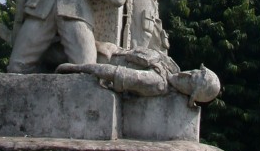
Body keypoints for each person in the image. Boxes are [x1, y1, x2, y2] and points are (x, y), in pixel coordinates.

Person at [57, 43, 220, 108]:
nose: (185, 74)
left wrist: (78, 67)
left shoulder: (157, 83)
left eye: (190, 80)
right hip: (109, 47)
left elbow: (114, 73)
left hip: (98, 59)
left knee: (55, 55)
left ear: (190, 95)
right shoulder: (171, 65)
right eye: (193, 72)